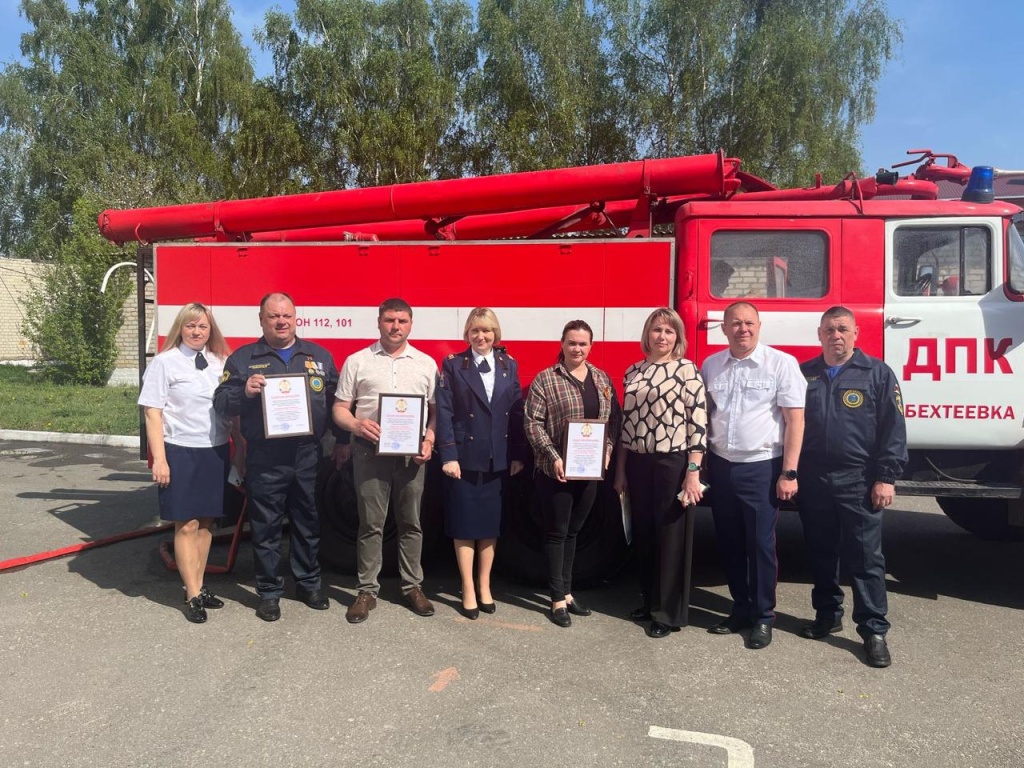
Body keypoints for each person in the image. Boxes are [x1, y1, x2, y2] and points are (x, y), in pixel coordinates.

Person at [213, 292, 343, 622]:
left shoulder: (318, 356)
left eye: (287, 315)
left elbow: (337, 402)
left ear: (296, 318)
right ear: (262, 320)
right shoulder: (243, 359)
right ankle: (269, 592)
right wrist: (244, 392)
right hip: (265, 457)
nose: (281, 321)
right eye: (273, 316)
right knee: (266, 526)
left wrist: (343, 441)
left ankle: (308, 584)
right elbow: (221, 403)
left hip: (307, 454)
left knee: (307, 521)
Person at [797, 306, 908, 668]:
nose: (836, 336)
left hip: (858, 478)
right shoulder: (805, 373)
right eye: (829, 329)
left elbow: (893, 428)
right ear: (819, 334)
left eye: (843, 329)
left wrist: (886, 477)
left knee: (865, 558)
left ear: (856, 333)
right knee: (821, 551)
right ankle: (827, 615)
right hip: (814, 478)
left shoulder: (876, 373)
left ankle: (873, 630)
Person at [700, 301, 806, 649]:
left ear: (759, 326)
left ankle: (763, 617)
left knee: (760, 545)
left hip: (761, 467)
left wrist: (789, 472)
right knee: (729, 542)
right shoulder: (711, 365)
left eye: (748, 323)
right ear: (724, 328)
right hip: (721, 465)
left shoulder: (781, 363)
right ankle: (741, 609)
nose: (742, 329)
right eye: (735, 323)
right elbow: (706, 416)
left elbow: (795, 421)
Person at [333, 298, 438, 623]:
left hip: (411, 457)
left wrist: (429, 440)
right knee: (371, 524)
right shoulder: (357, 361)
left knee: (411, 523)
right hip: (369, 452)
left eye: (402, 321)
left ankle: (412, 586)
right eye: (390, 320)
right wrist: (355, 424)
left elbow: (436, 413)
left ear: (411, 324)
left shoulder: (426, 364)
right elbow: (339, 408)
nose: (396, 326)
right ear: (379, 322)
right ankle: (367, 591)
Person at [138, 302, 242, 623]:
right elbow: (152, 413)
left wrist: (239, 449)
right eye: (190, 326)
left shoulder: (220, 362)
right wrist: (160, 459)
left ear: (211, 330)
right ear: (180, 328)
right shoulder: (164, 363)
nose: (197, 332)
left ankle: (197, 585)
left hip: (215, 451)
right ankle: (193, 593)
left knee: (207, 523)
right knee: (186, 525)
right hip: (181, 452)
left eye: (203, 326)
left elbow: (231, 411)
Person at [613, 308, 707, 639]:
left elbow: (698, 425)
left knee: (670, 537)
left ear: (677, 337)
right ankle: (649, 601)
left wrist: (693, 472)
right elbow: (625, 428)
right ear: (647, 335)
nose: (662, 336)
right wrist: (620, 471)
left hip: (673, 462)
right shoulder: (633, 371)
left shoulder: (687, 370)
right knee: (644, 535)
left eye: (669, 331)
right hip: (638, 462)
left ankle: (668, 612)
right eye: (656, 330)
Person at [524, 320, 620, 628]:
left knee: (574, 532)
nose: (577, 349)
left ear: (591, 346)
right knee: (557, 532)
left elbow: (611, 421)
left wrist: (606, 451)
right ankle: (555, 598)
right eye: (572, 343)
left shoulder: (601, 379)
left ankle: (567, 593)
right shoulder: (546, 379)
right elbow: (532, 423)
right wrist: (553, 457)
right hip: (557, 472)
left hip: (589, 471)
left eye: (583, 343)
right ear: (562, 344)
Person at [435, 308, 526, 619]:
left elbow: (516, 412)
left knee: (490, 526)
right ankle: (467, 587)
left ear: (495, 334)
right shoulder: (453, 365)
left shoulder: (509, 365)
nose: (481, 336)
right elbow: (445, 412)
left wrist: (518, 453)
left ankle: (485, 585)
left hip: (496, 457)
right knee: (464, 524)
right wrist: (449, 455)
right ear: (467, 334)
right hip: (464, 458)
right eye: (475, 330)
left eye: (486, 330)